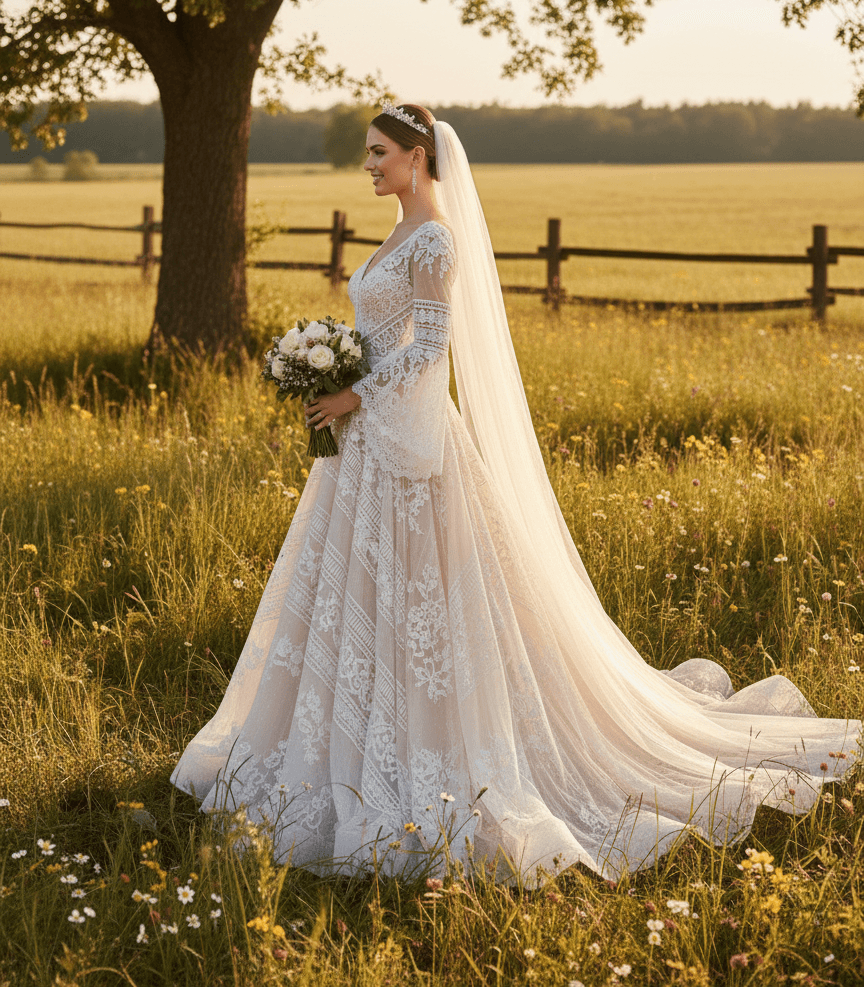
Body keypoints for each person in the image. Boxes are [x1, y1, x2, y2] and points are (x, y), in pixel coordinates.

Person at [171, 104, 858, 882]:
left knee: (430, 602)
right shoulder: (398, 231)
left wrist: (352, 395)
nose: (367, 165)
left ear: (419, 157)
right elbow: (388, 336)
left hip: (411, 450)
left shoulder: (432, 238)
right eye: (367, 153)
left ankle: (436, 744)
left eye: (378, 153)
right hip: (364, 448)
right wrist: (329, 366)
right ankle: (350, 736)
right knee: (360, 597)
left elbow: (432, 348)